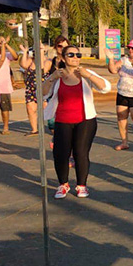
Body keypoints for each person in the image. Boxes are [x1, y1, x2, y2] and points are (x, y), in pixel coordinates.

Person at [43, 45, 111, 198]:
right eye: (71, 54)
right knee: (61, 154)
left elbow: (105, 87)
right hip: (62, 120)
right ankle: (63, 184)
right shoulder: (57, 76)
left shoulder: (85, 73)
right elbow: (42, 93)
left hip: (85, 120)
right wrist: (51, 78)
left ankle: (81, 185)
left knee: (81, 153)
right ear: (63, 58)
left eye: (78, 55)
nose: (75, 58)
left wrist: (89, 76)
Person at [0, 37, 18, 135]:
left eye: (2, 43)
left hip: (4, 86)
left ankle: (6, 127)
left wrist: (6, 45)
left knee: (5, 109)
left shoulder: (6, 55)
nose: (1, 45)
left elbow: (15, 57)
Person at [18, 44, 45, 135]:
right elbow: (23, 64)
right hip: (31, 88)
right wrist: (25, 52)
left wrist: (41, 50)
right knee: (30, 108)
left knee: (46, 109)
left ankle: (54, 127)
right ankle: (34, 130)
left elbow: (40, 66)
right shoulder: (30, 62)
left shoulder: (44, 60)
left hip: (43, 89)